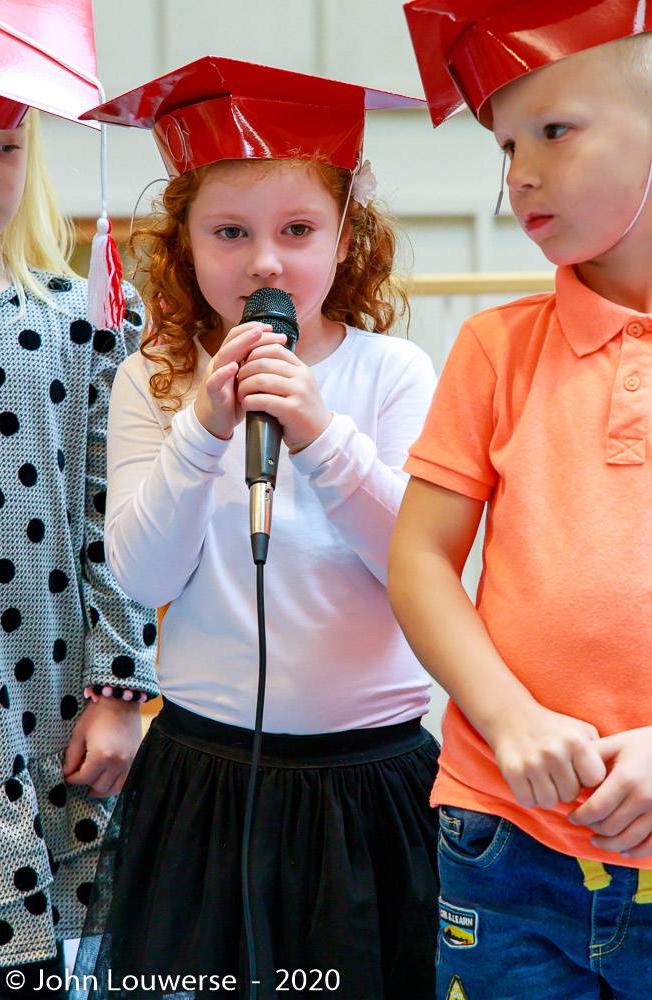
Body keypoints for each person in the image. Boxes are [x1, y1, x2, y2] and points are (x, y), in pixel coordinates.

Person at [72, 57, 440, 1000]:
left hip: (369, 777)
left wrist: (317, 433)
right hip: (205, 774)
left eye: (297, 230)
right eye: (230, 232)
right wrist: (202, 427)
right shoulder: (155, 378)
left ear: (346, 240)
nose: (265, 262)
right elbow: (144, 572)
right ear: (185, 244)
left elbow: (416, 561)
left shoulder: (391, 373)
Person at [390, 2, 652, 997]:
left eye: (554, 130)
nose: (520, 174)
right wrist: (506, 718)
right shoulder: (494, 348)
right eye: (506, 146)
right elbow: (420, 558)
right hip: (501, 834)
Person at [0, 4, 158, 997]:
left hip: (43, 697)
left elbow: (110, 516)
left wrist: (121, 689)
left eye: (7, 148)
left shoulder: (78, 323)